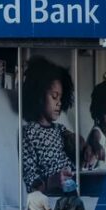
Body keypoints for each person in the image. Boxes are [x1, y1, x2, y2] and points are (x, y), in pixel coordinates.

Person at [22, 56, 78, 195]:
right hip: (55, 192)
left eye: (61, 97)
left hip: (75, 182)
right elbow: (31, 183)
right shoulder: (29, 133)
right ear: (39, 95)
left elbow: (75, 141)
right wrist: (51, 182)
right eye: (54, 96)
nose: (59, 102)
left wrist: (84, 145)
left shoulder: (60, 129)